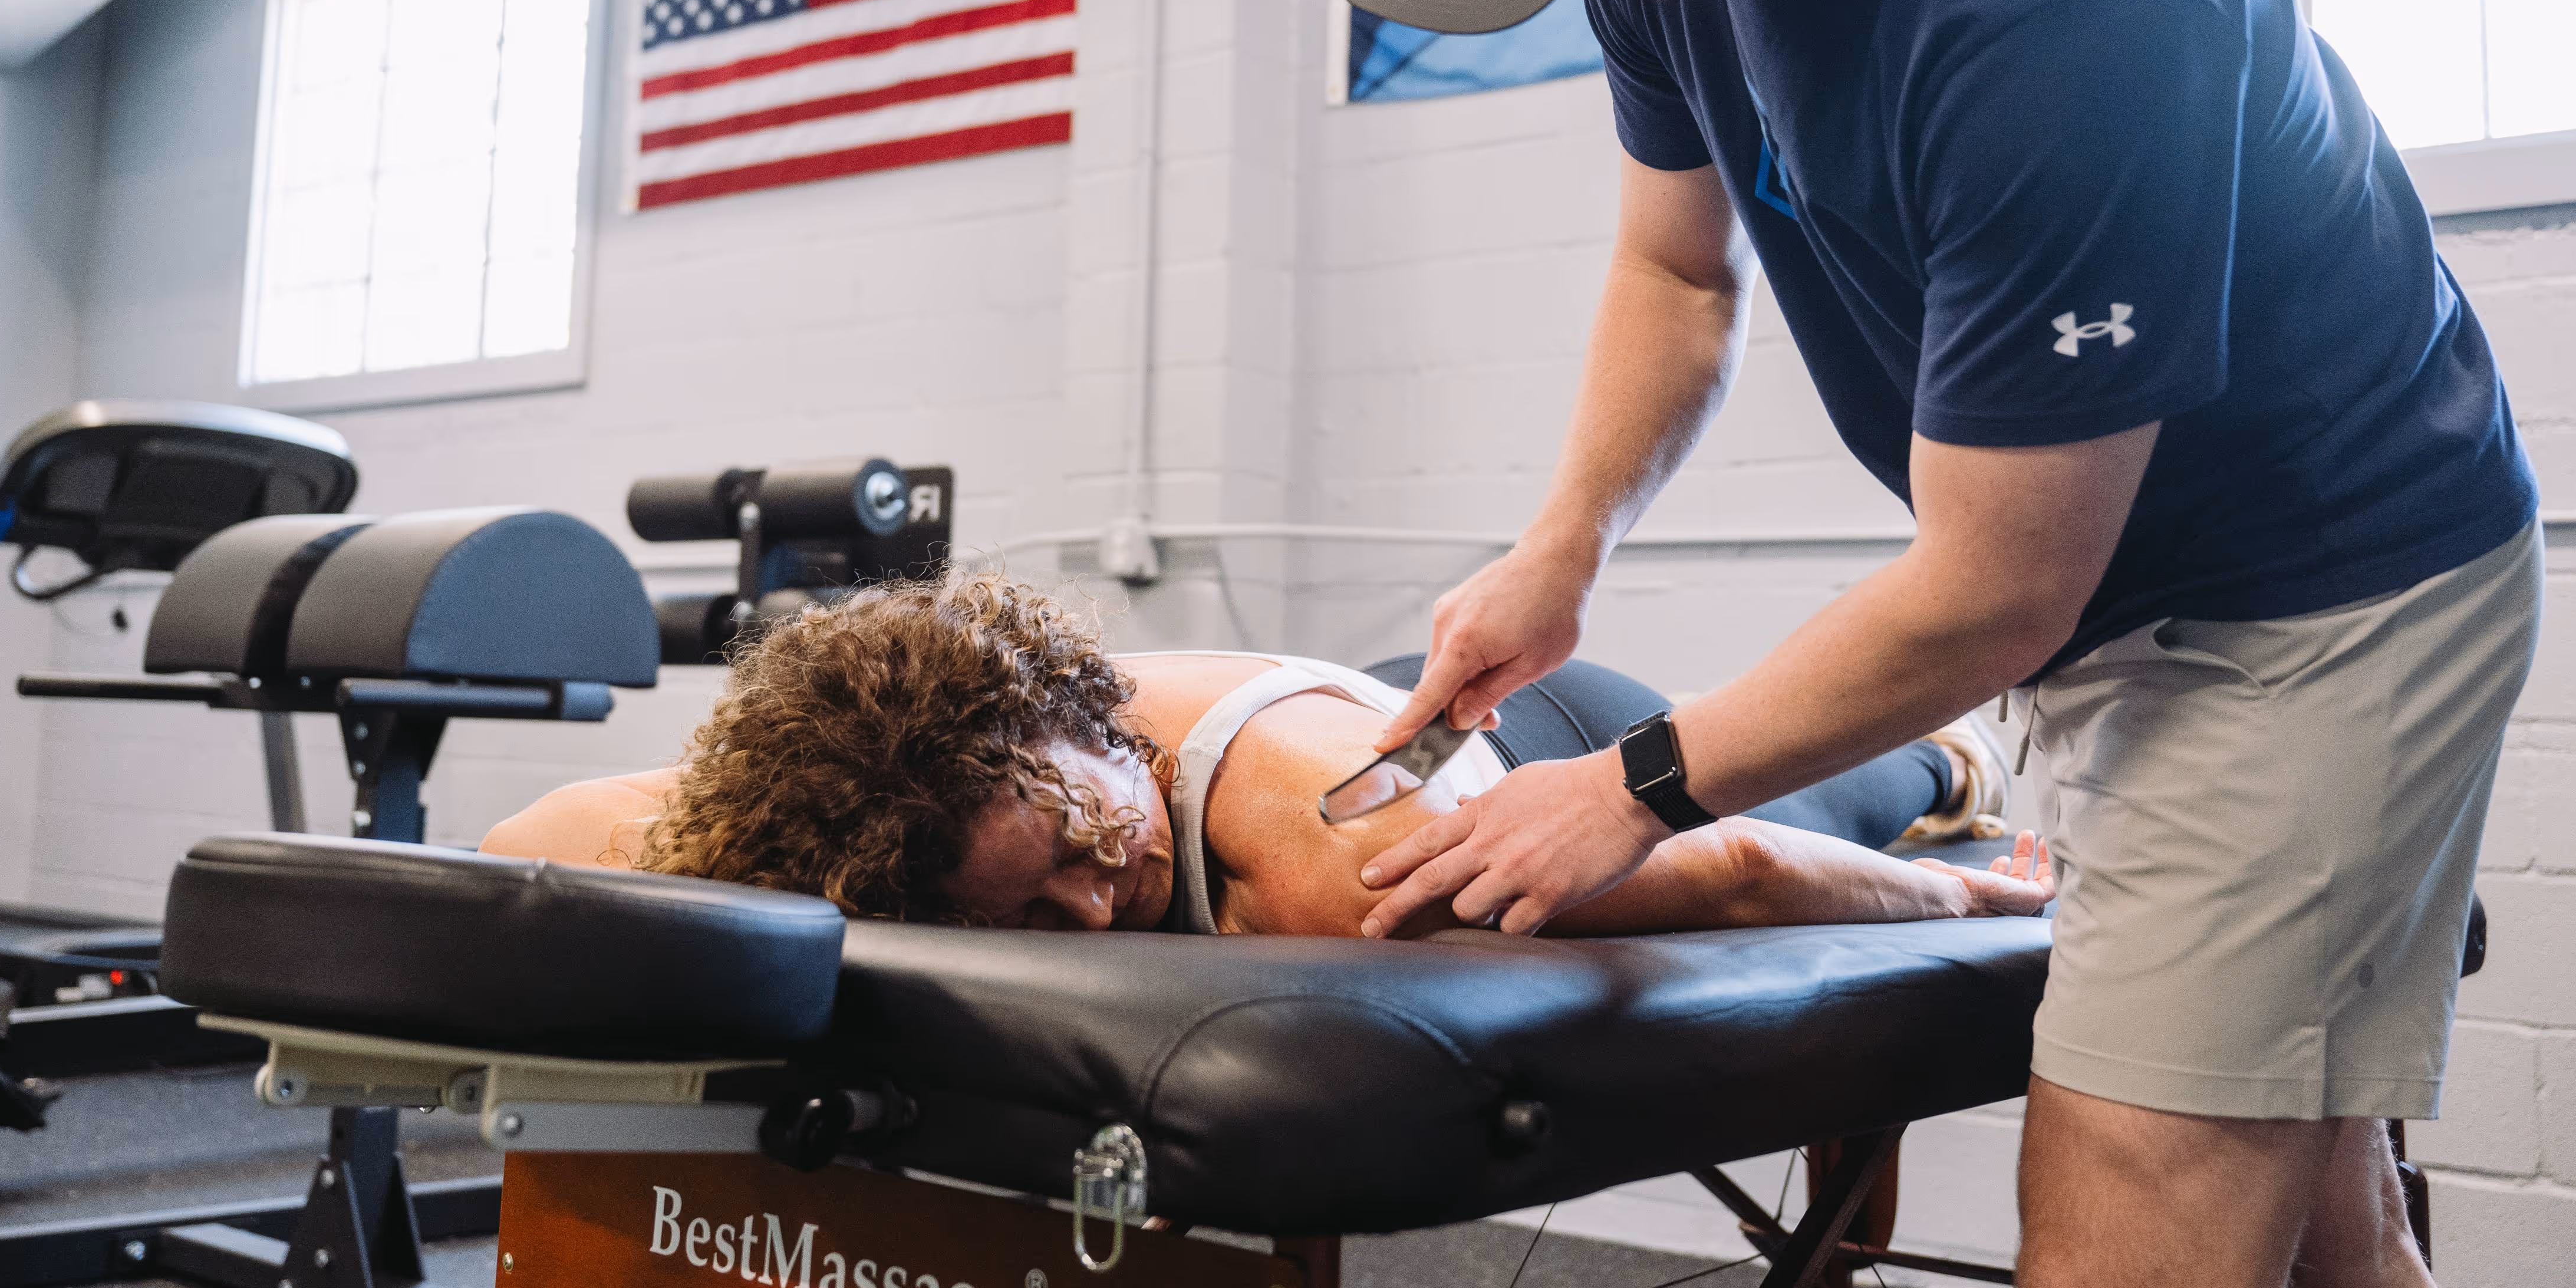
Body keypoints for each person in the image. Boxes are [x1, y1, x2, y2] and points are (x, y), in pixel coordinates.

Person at [1312, 0, 2539, 1288]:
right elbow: (1675, 274)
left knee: (2131, 1237)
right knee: (2312, 1225)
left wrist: (1628, 792)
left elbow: (1991, 592)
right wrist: (1562, 550)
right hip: (2132, 601)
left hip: (2329, 609)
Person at [480, 572, 2045, 937]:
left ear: (1082, 728)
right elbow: (523, 847)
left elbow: (1751, 867)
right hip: (1374, 708)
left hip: (1546, 751)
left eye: (1090, 846)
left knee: (1872, 781)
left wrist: (1991, 909)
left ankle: (1947, 770)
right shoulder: (908, 791)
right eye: (1035, 913)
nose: (1103, 907)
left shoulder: (1340, 859)